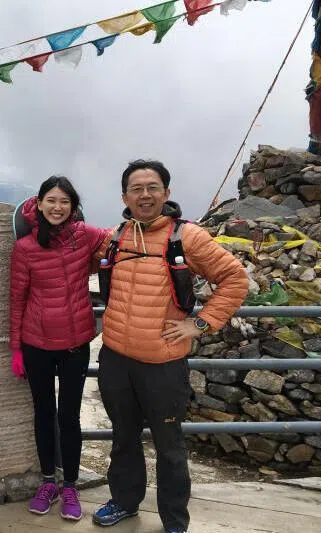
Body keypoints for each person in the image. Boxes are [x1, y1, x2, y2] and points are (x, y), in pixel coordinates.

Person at [92, 160, 248, 533]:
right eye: (136, 188)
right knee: (123, 438)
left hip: (163, 364)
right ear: (124, 196)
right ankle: (125, 502)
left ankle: (174, 520)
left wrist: (198, 324)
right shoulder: (116, 236)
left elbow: (235, 279)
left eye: (152, 187)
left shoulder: (187, 238)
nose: (144, 195)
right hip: (115, 358)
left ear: (166, 192)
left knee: (170, 446)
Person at [9, 175, 110, 521]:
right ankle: (48, 482)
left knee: (68, 416)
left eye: (64, 201)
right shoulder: (25, 248)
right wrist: (16, 350)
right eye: (51, 200)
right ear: (38, 204)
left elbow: (117, 241)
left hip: (74, 343)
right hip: (36, 344)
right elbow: (17, 299)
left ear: (73, 206)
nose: (57, 207)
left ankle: (70, 485)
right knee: (43, 413)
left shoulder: (85, 236)